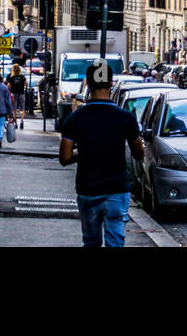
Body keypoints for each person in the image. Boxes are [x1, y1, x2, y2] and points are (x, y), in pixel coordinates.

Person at [59, 60, 144, 247]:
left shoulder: (75, 118)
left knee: (91, 242)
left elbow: (64, 158)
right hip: (116, 189)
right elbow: (139, 153)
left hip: (88, 189)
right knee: (115, 242)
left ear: (88, 84)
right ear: (111, 83)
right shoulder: (126, 118)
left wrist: (83, 152)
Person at [8, 64, 28, 130]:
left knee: (14, 109)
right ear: (19, 69)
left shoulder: (11, 77)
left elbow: (9, 86)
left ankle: (16, 123)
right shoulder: (22, 76)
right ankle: (21, 120)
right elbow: (26, 84)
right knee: (22, 109)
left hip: (13, 94)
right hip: (21, 93)